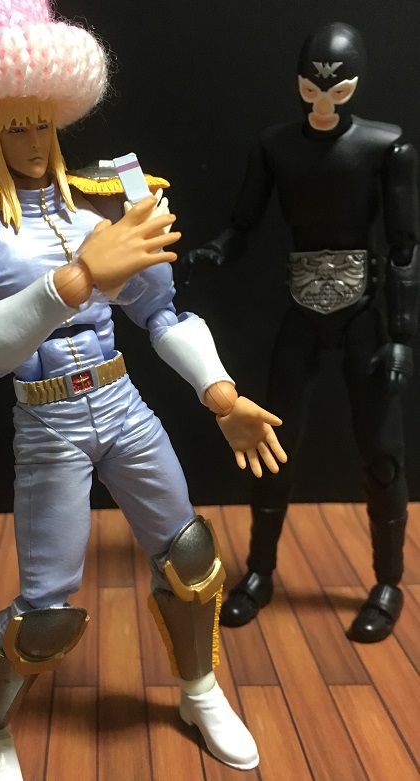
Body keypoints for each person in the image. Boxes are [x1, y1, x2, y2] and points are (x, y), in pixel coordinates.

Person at [0, 2, 287, 777]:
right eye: (13, 128)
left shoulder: (101, 200)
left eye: (41, 124)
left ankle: (199, 687)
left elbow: (161, 312)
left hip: (124, 404)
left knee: (192, 559)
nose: (31, 142)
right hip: (48, 419)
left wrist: (220, 394)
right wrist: (79, 277)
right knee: (46, 613)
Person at [187, 23, 419, 643]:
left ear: (355, 84)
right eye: (311, 87)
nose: (322, 100)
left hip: (363, 314)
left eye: (336, 88)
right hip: (302, 310)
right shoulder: (276, 147)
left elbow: (403, 248)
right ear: (298, 81)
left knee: (382, 455)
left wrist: (401, 334)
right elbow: (244, 223)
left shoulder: (385, 146)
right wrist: (215, 251)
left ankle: (389, 581)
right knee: (272, 443)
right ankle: (260, 571)